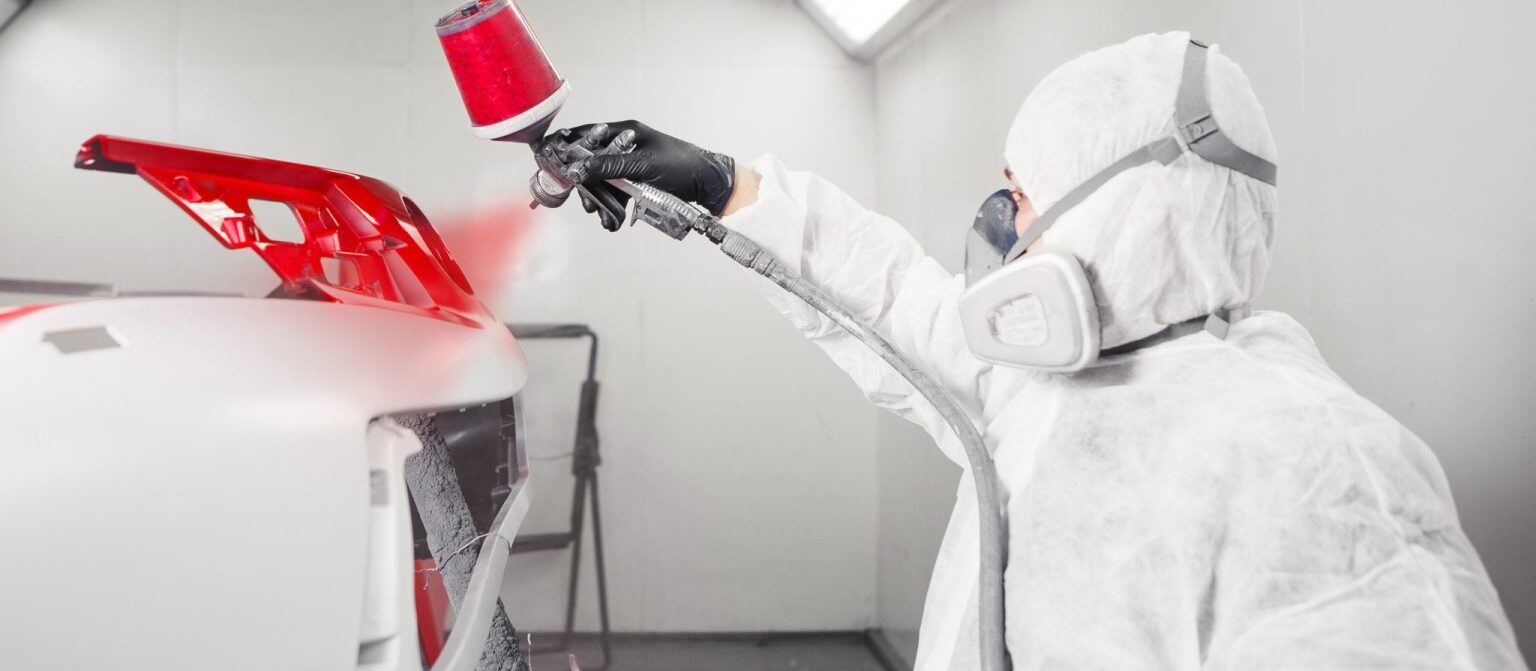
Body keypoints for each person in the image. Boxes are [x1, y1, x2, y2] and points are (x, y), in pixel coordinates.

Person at [553, 32, 1526, 670]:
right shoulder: (1055, 384)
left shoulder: (1322, 465)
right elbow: (900, 303)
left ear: (1119, 208)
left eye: (1019, 195)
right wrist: (724, 186)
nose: (1002, 228)